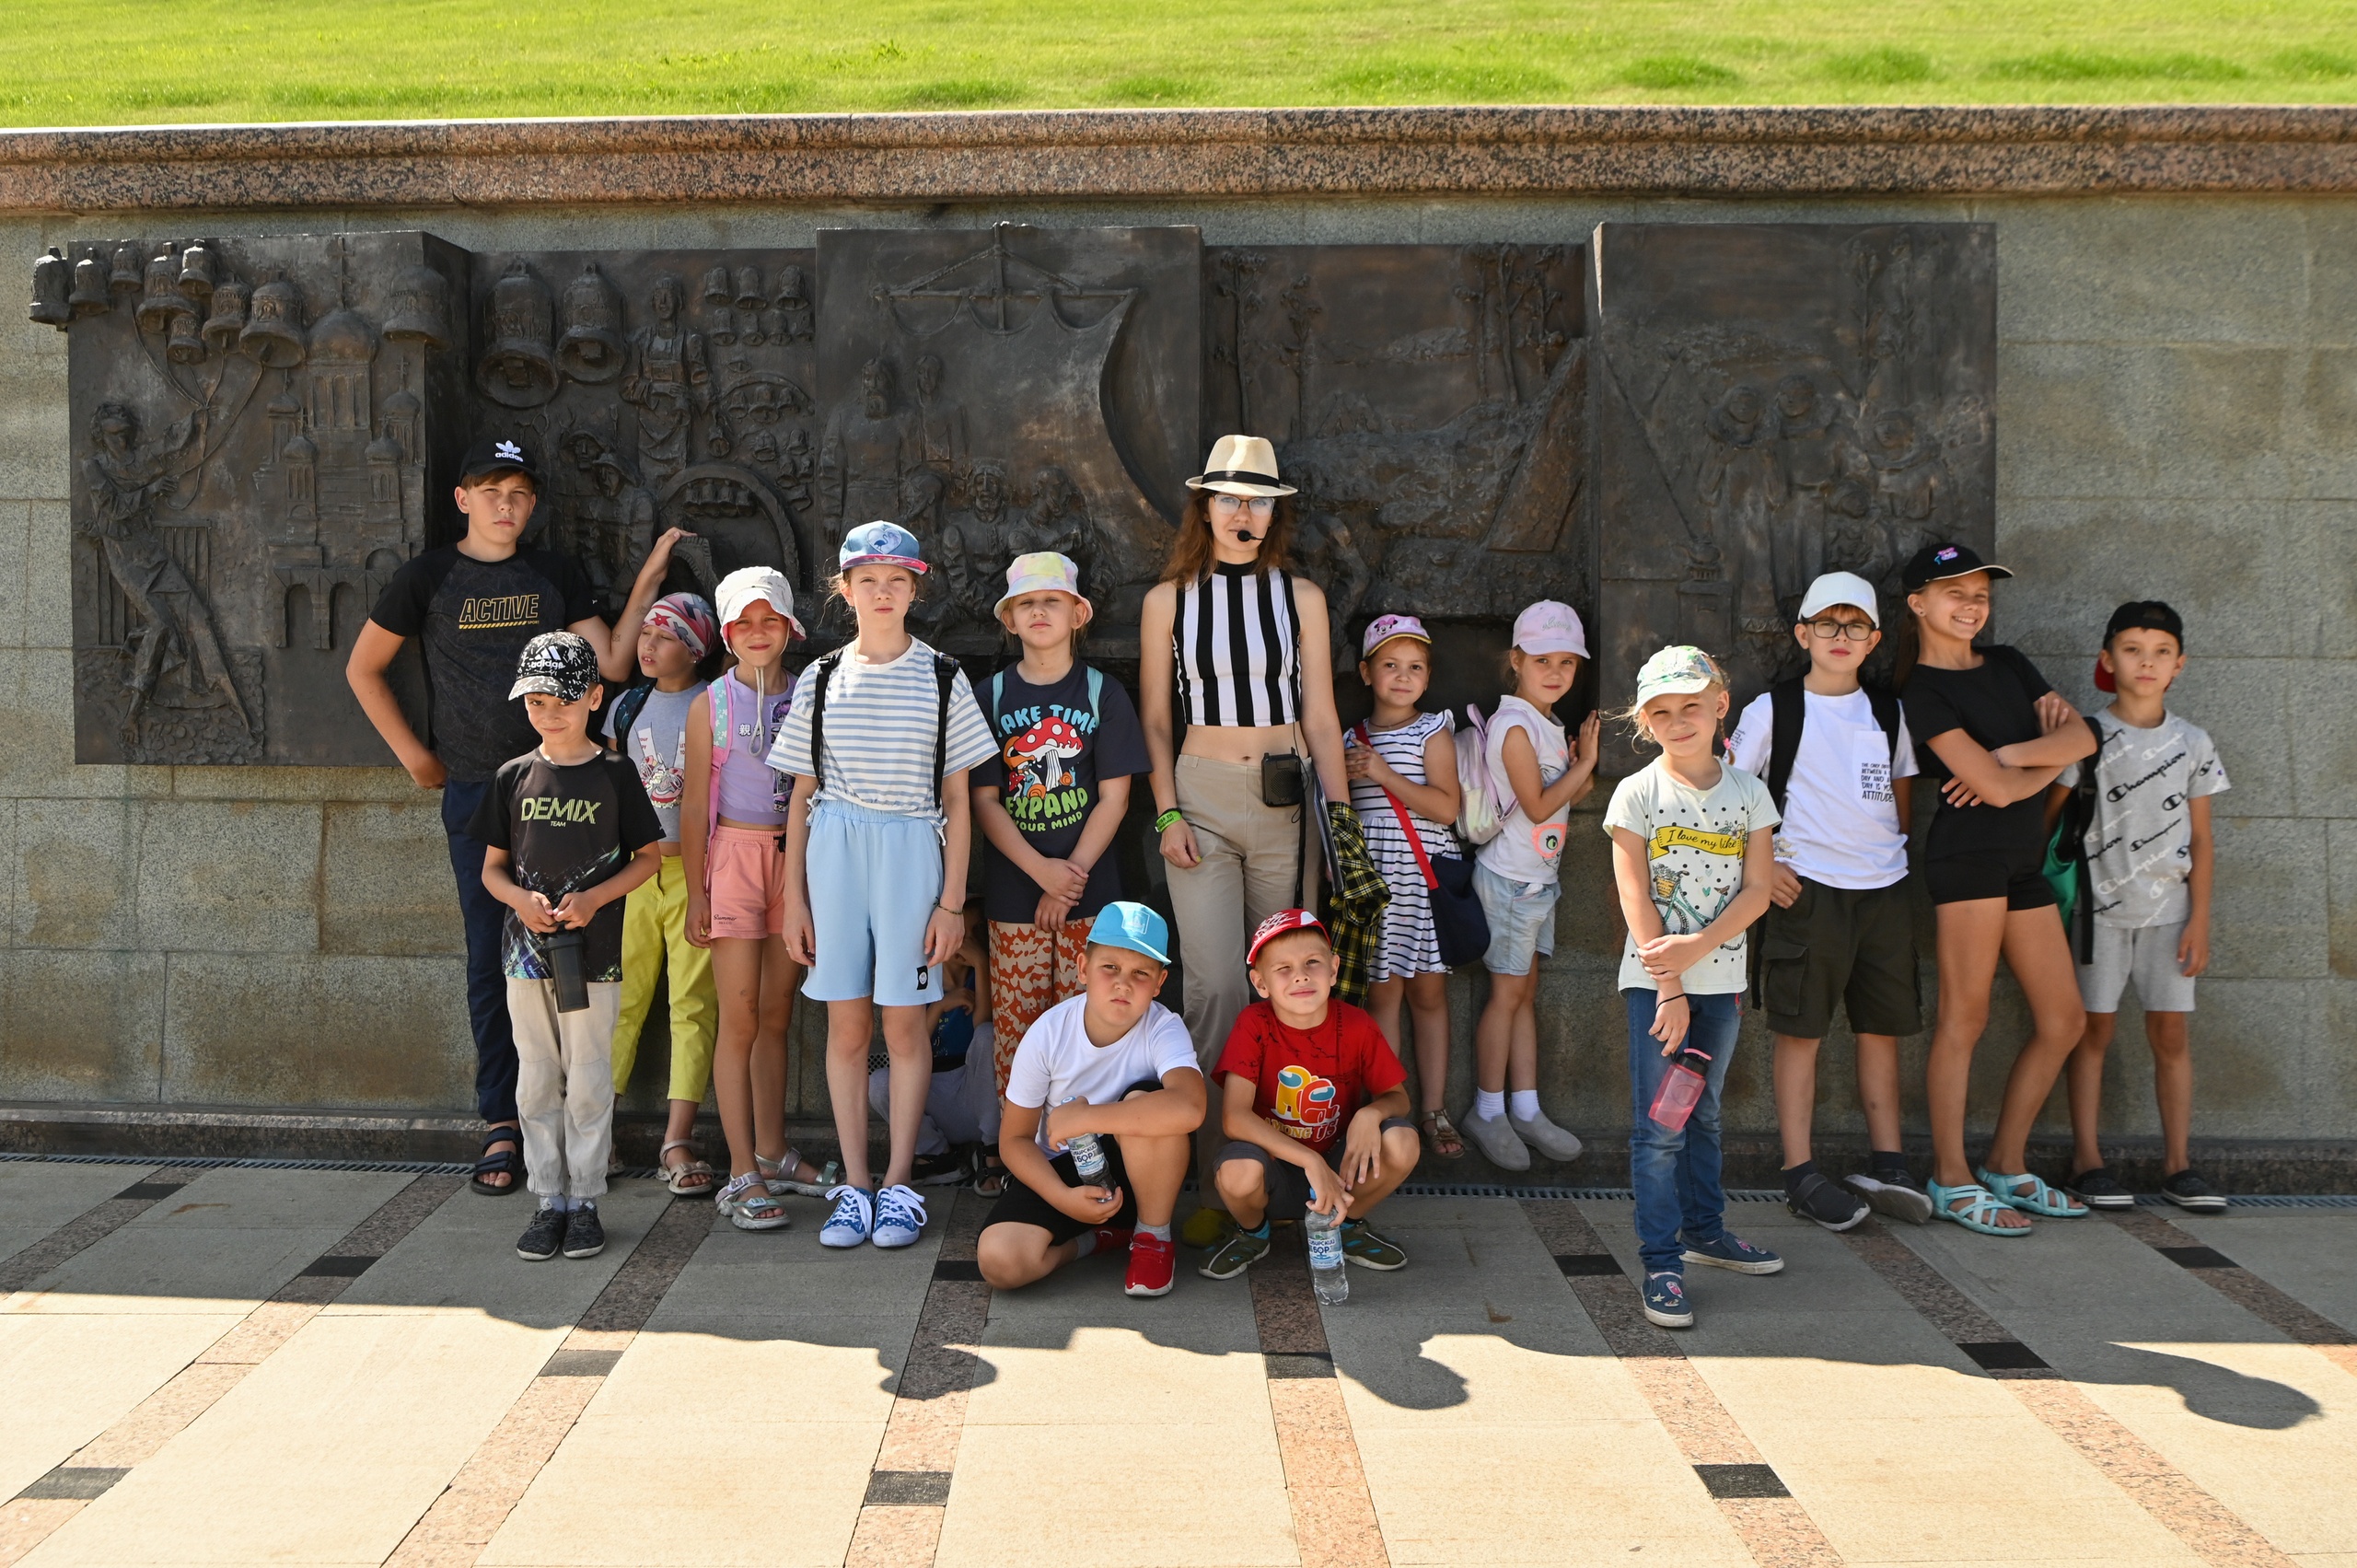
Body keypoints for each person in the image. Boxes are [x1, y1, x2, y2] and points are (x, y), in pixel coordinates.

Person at [349, 436, 674, 1199]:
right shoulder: (428, 576)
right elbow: (364, 667)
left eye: (520, 493)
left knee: (583, 955)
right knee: (492, 958)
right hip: (480, 794)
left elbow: (613, 665)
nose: (506, 505)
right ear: (462, 498)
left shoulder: (555, 573)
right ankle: (503, 1120)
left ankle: (579, 1127)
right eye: (491, 490)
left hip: (574, 789)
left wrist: (649, 580)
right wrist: (416, 758)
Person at [1138, 436, 1353, 1247]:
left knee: (1290, 984)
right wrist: (1165, 812)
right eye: (1229, 497)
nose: (1243, 512)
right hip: (1199, 795)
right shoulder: (1170, 600)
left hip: (1286, 800)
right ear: (1205, 506)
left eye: (1258, 499)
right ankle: (1210, 1177)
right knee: (1215, 984)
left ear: (1275, 511)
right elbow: (1157, 719)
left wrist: (1340, 827)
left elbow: (1323, 719)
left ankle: (1289, 1173)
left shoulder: (1300, 597)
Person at [774, 522, 999, 1249]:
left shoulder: (942, 676)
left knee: (905, 1025)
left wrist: (952, 900)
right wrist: (794, 898)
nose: (881, 591)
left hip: (911, 848)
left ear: (914, 588)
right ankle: (856, 1184)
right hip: (837, 848)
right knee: (845, 1026)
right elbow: (802, 796)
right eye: (866, 579)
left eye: (896, 579)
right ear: (844, 589)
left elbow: (960, 800)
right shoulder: (823, 675)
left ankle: (901, 1180)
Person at [1896, 543, 2100, 1236]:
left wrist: (2011, 755)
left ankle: (2006, 1165)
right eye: (1954, 591)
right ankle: (1950, 1177)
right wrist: (2036, 759)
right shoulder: (1921, 692)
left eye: (1980, 592)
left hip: (2021, 860)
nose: (1971, 604)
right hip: (1968, 862)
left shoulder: (2010, 663)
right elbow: (1994, 785)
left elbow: (2084, 736)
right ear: (1918, 603)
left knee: (2064, 1019)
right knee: (1966, 1016)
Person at [1724, 573, 1928, 1229]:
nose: (1842, 638)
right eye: (1829, 625)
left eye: (1856, 626)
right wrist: (1764, 864)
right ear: (1803, 633)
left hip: (1884, 893)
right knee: (1801, 1031)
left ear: (1873, 640)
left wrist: (1888, 856)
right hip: (1807, 892)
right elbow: (1728, 793)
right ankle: (1799, 1170)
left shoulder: (1888, 711)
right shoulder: (1773, 710)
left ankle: (1888, 1160)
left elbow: (1899, 794)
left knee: (1881, 1027)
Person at [1606, 646, 1785, 1330]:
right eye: (1662, 711)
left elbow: (1760, 889)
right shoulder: (1637, 794)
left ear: (1720, 706)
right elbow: (1636, 901)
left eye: (1691, 706)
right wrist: (1672, 984)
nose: (1678, 721)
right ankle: (1662, 1262)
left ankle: (1705, 1232)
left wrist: (1702, 952)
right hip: (1659, 989)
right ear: (1647, 721)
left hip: (1721, 986)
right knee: (1658, 1129)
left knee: (1703, 1112)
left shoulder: (1749, 793)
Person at [470, 633, 663, 1261]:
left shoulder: (615, 774)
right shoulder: (514, 777)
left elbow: (649, 858)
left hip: (596, 954)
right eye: (536, 701)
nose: (549, 712)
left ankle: (585, 1197)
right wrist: (520, 901)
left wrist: (596, 898)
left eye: (563, 699)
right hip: (525, 956)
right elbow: (492, 870)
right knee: (535, 1076)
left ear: (594, 697)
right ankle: (546, 1195)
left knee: (587, 1075)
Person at [970, 552, 1150, 1198]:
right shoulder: (990, 695)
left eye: (1052, 601)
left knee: (1086, 1023)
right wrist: (1041, 873)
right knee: (1018, 1028)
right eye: (1025, 603)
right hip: (1017, 892)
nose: (1039, 611)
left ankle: (1084, 1148)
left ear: (1079, 614)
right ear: (1011, 620)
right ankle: (1015, 1152)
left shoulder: (1103, 692)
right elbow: (985, 800)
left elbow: (1115, 797)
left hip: (1090, 894)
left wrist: (1068, 876)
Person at [2057, 601, 2230, 1212]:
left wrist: (2200, 919)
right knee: (2092, 1029)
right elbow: (2052, 819)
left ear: (2179, 663)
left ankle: (2179, 1163)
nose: (2146, 662)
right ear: (2108, 659)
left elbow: (2204, 838)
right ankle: (2087, 1159)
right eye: (2132, 649)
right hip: (2098, 914)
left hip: (2170, 914)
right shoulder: (2087, 735)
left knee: (2171, 1031)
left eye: (2160, 652)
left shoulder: (2193, 741)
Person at [681, 567, 833, 1230]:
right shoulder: (709, 703)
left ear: (789, 628)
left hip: (791, 859)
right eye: (746, 622)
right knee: (738, 1017)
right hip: (733, 861)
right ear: (728, 632)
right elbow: (692, 807)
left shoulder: (807, 694)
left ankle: (772, 1151)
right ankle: (740, 1170)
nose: (759, 632)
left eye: (771, 620)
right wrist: (695, 891)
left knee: (777, 1014)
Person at [976, 902, 1206, 1297]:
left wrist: (1087, 1118)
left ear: (1159, 982)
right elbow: (1013, 1140)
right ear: (1082, 968)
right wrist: (1061, 1198)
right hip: (1062, 1175)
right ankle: (1095, 1239)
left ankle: (1153, 1238)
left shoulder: (1163, 1027)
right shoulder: (1048, 1033)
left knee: (1150, 1105)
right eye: (1110, 968)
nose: (1123, 984)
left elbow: (1190, 1106)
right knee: (1002, 1261)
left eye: (1141, 973)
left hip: (1139, 1177)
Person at [1201, 910, 1420, 1280]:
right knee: (1237, 1171)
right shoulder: (1254, 1023)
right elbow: (1234, 1117)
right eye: (1282, 968)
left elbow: (1398, 1098)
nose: (1300, 975)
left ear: (1334, 970)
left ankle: (1344, 1226)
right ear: (1261, 982)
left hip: (1338, 1164)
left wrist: (1370, 1114)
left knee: (1402, 1139)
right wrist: (1308, 1161)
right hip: (1271, 1166)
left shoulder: (1356, 1024)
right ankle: (1254, 1233)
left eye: (1312, 963)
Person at [1463, 601, 1601, 1171]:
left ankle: (1525, 1106)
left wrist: (1574, 768)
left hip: (1537, 882)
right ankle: (1486, 1111)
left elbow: (1568, 799)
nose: (1555, 672)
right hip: (1510, 881)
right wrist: (1586, 761)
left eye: (1567, 663)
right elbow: (1544, 805)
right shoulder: (1516, 726)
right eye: (1543, 659)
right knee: (1506, 997)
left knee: (1524, 995)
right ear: (1516, 660)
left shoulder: (1545, 724)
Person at [602, 590, 724, 1197]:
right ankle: (596, 1128)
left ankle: (676, 1137)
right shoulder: (625, 706)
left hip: (693, 874)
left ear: (697, 648)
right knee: (620, 998)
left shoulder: (717, 703)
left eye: (666, 635)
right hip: (632, 870)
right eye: (646, 634)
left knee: (692, 1004)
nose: (649, 646)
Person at [1343, 614, 1467, 1160]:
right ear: (1366, 672)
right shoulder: (1350, 738)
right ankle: (1390, 1106)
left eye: (1415, 666)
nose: (1402, 676)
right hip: (1376, 886)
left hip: (1422, 881)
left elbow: (1446, 807)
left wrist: (1382, 773)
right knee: (1383, 995)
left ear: (1428, 675)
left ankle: (1434, 1107)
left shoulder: (1432, 730)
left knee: (1430, 995)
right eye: (1390, 665)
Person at [866, 907, 1003, 1185]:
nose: (965, 940)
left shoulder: (982, 975)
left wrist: (980, 965)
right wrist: (939, 1007)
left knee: (989, 1034)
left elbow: (983, 1033)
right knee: (879, 1083)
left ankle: (992, 1151)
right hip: (931, 1093)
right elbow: (910, 1046)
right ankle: (939, 1157)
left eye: (974, 933)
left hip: (975, 1094)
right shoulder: (924, 979)